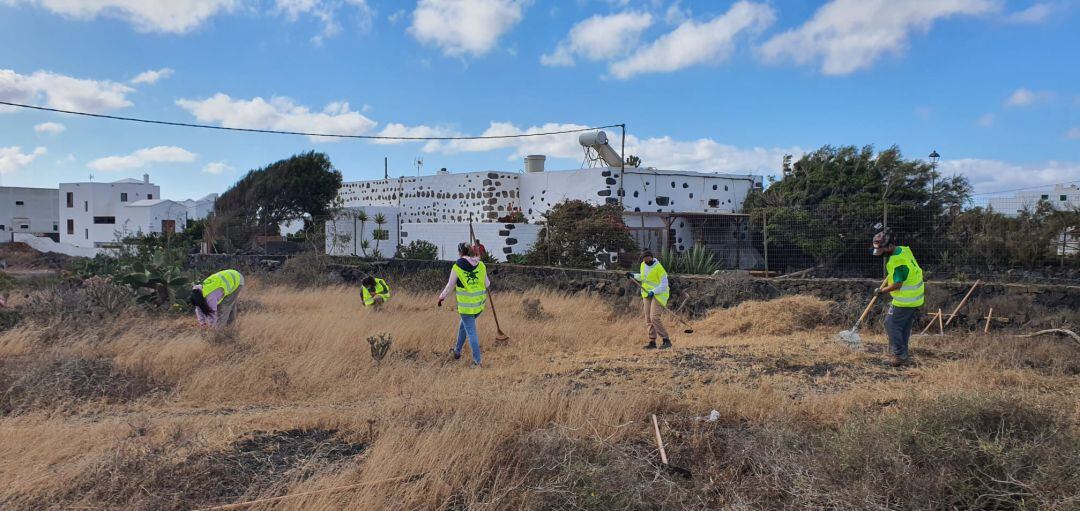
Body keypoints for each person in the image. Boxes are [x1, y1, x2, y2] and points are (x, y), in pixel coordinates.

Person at [873, 228, 924, 367]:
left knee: (891, 324)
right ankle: (903, 354)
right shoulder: (903, 249)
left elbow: (898, 284)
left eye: (882, 250)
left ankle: (899, 356)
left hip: (905, 299)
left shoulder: (897, 262)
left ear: (890, 246)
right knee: (903, 327)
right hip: (916, 297)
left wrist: (881, 290)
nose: (881, 254)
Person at [438, 242, 490, 367]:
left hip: (466, 307)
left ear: (460, 252)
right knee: (463, 326)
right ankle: (457, 351)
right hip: (479, 306)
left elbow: (450, 286)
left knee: (471, 332)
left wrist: (441, 297)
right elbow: (487, 284)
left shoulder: (457, 267)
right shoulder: (481, 265)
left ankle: (477, 361)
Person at [626, 250, 672, 350]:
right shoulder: (643, 265)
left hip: (659, 294)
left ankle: (666, 340)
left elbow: (664, 285)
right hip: (647, 294)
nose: (646, 261)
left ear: (652, 258)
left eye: (648, 259)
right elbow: (643, 277)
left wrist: (654, 291)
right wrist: (633, 275)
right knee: (648, 318)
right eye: (644, 260)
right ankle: (652, 342)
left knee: (654, 317)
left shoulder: (659, 268)